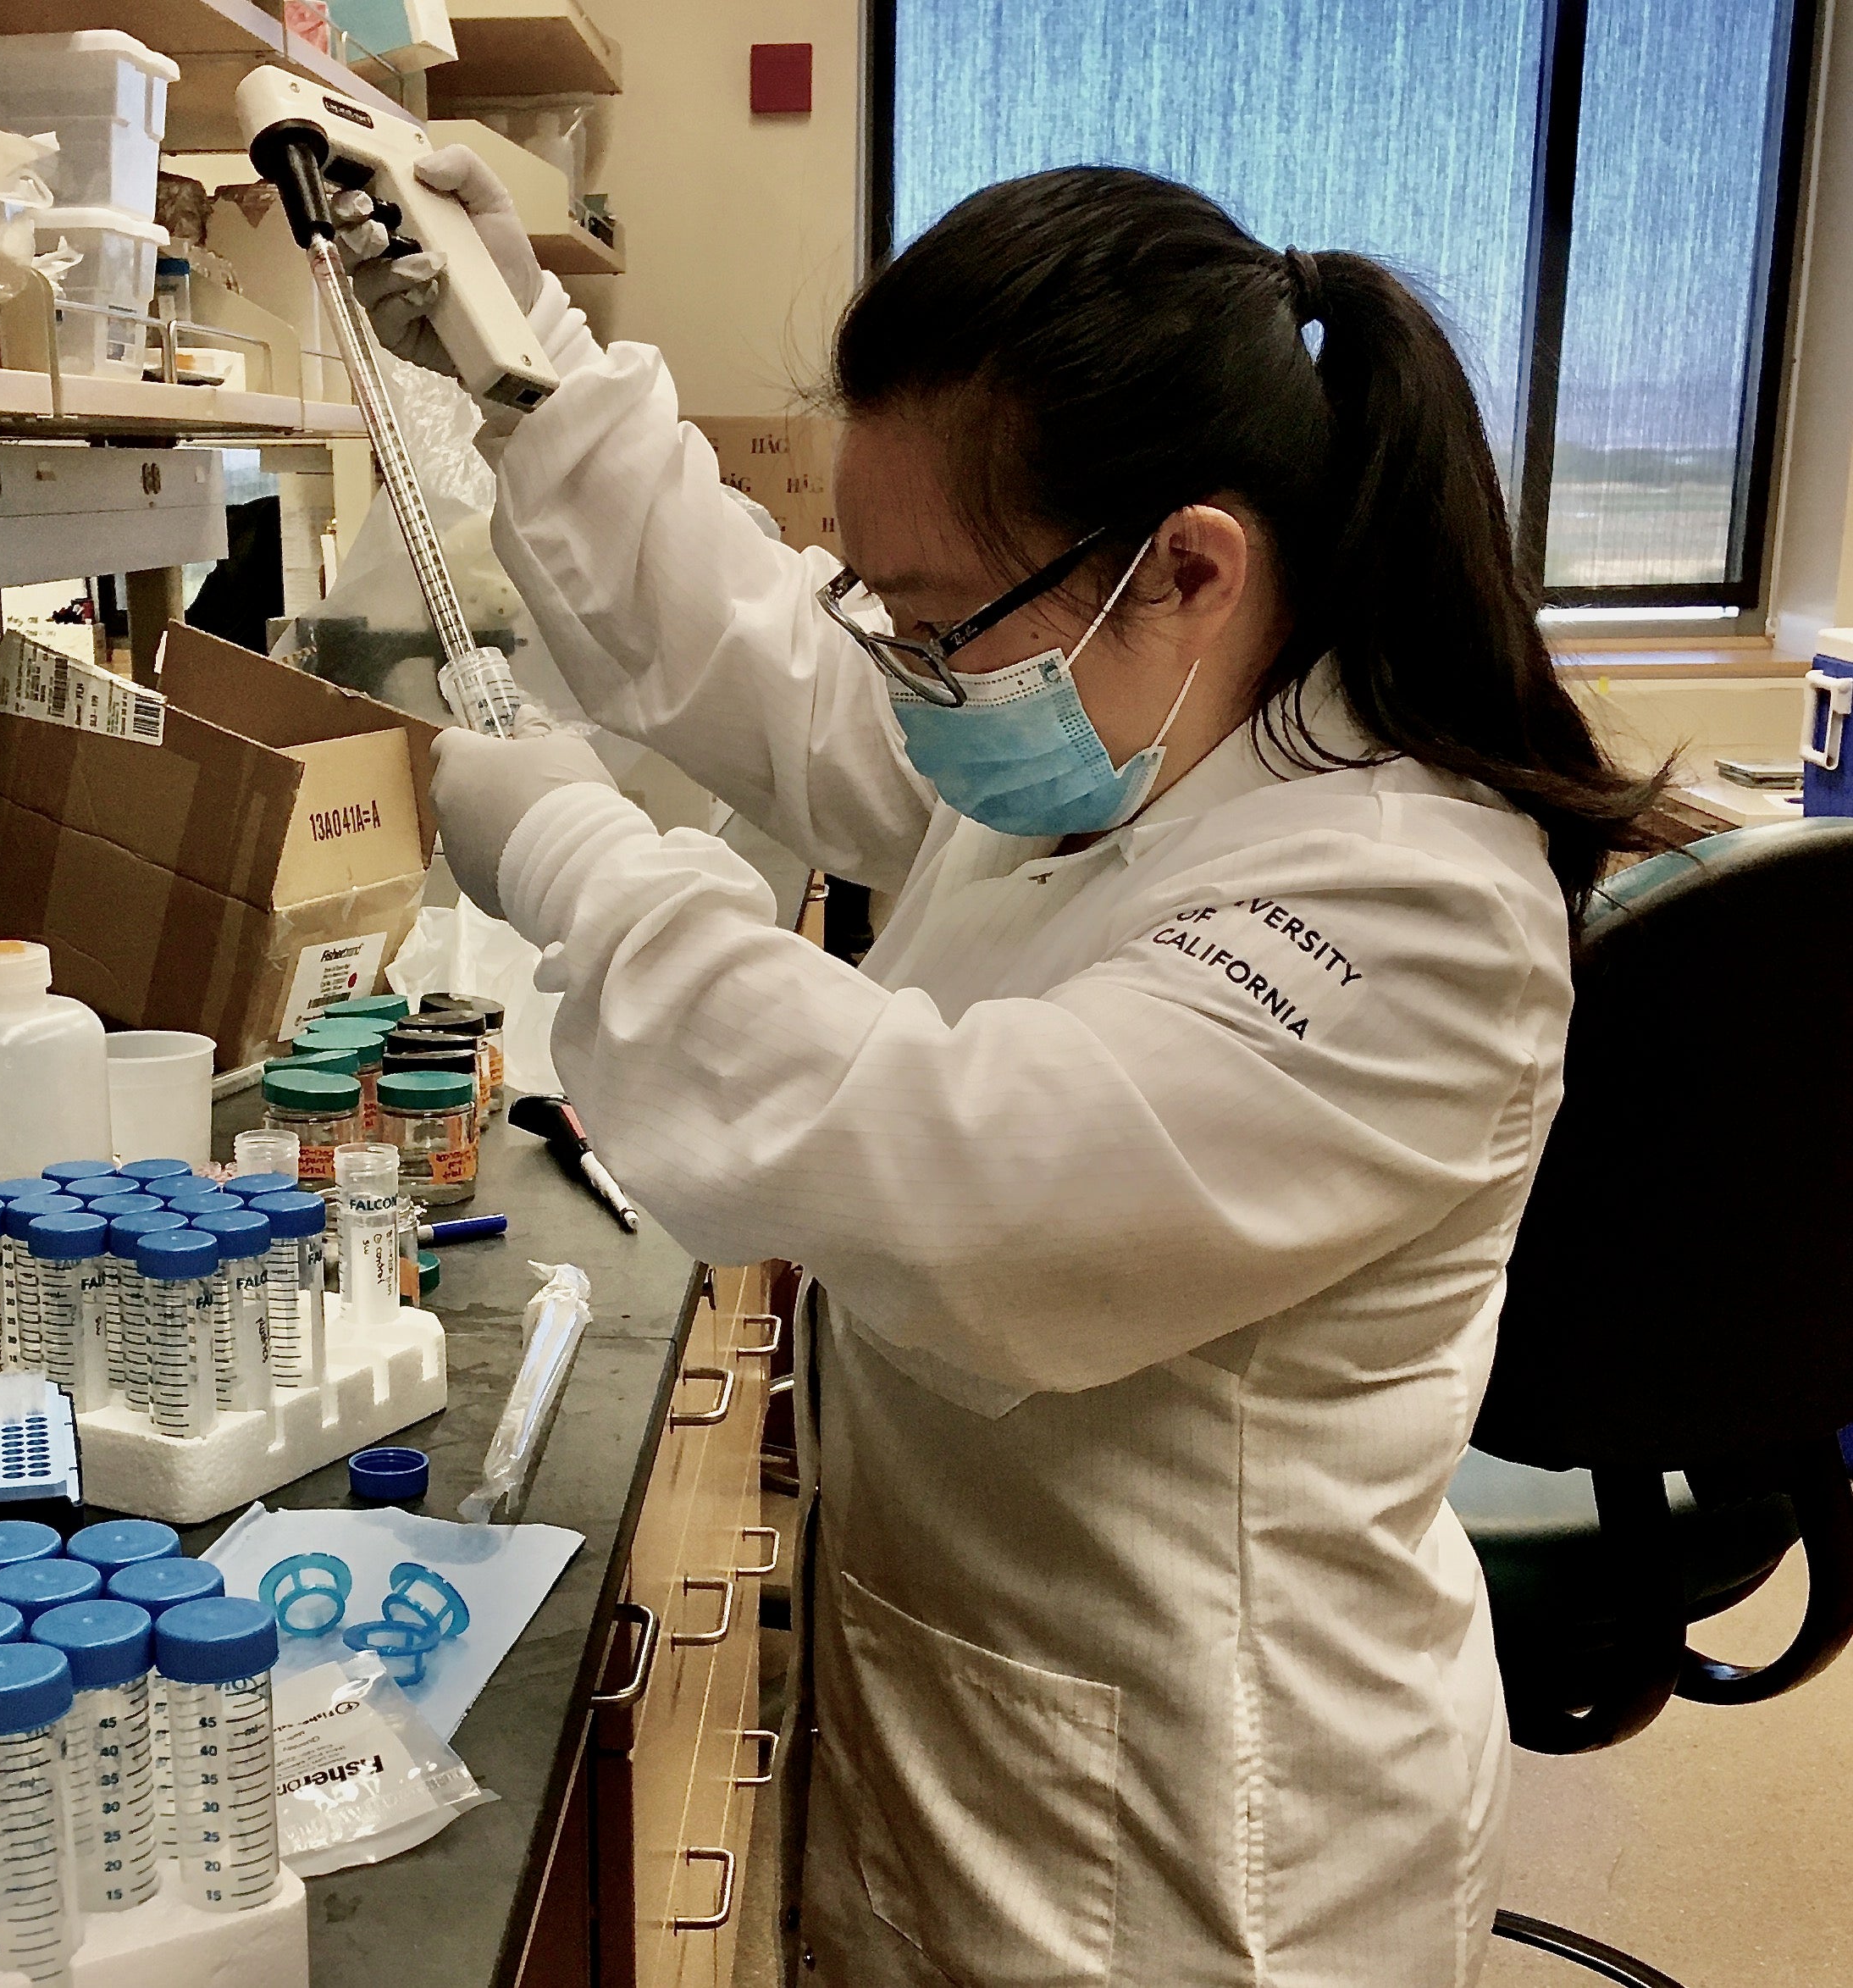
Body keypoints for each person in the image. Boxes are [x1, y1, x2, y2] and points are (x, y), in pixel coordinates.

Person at [344, 157, 1657, 1987]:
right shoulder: (1132, 725)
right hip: (991, 1746)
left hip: (1214, 1863)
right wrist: (530, 371)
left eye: (936, 620)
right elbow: (792, 677)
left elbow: (956, 1175)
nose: (904, 667)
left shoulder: (1411, 904)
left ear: (1187, 566)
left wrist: (586, 864)